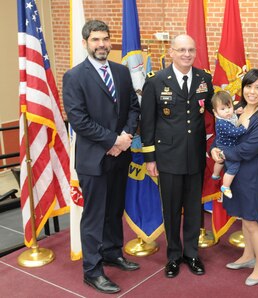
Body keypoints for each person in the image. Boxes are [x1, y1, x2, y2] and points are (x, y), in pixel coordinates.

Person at [63, 20, 140, 294]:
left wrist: (125, 138)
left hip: (119, 156)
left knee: (114, 210)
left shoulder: (120, 71)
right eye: (96, 40)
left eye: (105, 39)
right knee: (94, 216)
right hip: (93, 159)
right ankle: (92, 270)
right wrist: (112, 140)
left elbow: (133, 107)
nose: (102, 44)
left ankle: (112, 252)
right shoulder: (74, 77)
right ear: (86, 42)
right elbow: (78, 120)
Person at [140, 34, 214, 278]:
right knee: (171, 209)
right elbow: (147, 121)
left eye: (191, 50)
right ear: (171, 52)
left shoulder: (204, 78)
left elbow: (211, 111)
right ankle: (173, 255)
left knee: (193, 208)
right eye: (181, 50)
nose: (186, 54)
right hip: (167, 157)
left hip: (194, 156)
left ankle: (191, 253)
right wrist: (150, 158)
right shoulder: (156, 80)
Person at [211, 69, 258, 286]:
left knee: (253, 221)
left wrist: (223, 154)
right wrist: (213, 150)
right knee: (243, 218)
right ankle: (248, 257)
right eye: (249, 86)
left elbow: (249, 149)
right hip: (235, 171)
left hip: (253, 173)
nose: (252, 91)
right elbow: (222, 135)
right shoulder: (237, 108)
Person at [211, 90, 247, 199]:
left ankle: (215, 174)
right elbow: (234, 132)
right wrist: (244, 127)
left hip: (222, 144)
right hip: (226, 146)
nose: (227, 111)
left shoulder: (227, 116)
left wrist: (236, 111)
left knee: (220, 161)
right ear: (215, 112)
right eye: (223, 109)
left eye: (229, 107)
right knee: (233, 166)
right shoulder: (222, 123)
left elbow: (232, 115)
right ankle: (225, 186)